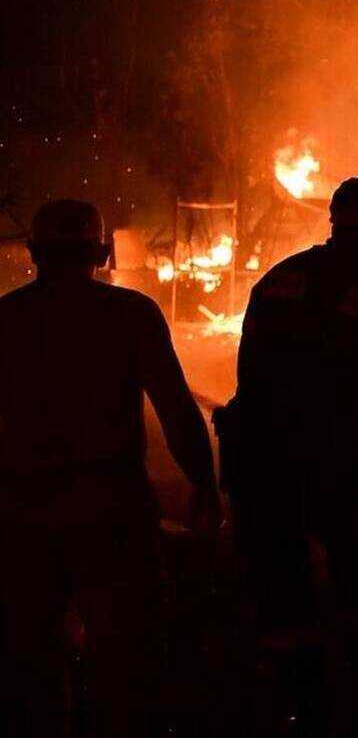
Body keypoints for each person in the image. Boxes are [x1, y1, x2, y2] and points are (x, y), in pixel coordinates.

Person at [216, 174, 358, 733]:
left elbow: (250, 378)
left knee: (279, 588)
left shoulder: (281, 278)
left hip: (256, 457)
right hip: (330, 461)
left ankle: (291, 704)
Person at [0, 199, 219, 736]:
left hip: (23, 512)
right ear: (101, 253)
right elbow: (175, 407)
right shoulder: (131, 314)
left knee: (33, 660)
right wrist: (205, 482)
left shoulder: (7, 319)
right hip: (112, 509)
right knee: (126, 661)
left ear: (33, 253)